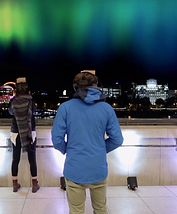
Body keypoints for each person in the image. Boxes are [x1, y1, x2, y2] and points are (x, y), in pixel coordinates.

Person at [51, 70, 124, 214]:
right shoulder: (106, 108)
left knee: (76, 210)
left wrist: (68, 149)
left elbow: (56, 139)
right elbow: (117, 139)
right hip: (98, 168)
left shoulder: (65, 107)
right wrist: (101, 149)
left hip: (74, 168)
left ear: (75, 87)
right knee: (100, 209)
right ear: (96, 86)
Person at [8, 77, 40, 193]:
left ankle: (15, 184)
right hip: (30, 132)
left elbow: (11, 112)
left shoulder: (14, 101)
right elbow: (34, 112)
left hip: (16, 133)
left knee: (15, 159)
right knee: (32, 159)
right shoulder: (31, 100)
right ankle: (34, 184)